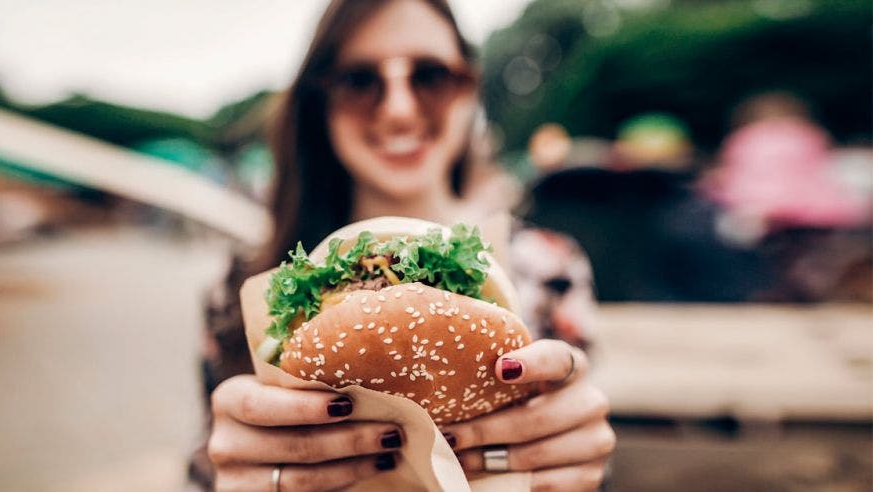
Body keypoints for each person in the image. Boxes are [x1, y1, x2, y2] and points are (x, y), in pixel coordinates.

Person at [192, 1, 614, 490]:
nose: (398, 109)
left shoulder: (551, 268)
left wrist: (578, 461)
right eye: (360, 81)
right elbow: (200, 469)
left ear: (468, 91)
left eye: (431, 77)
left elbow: (583, 460)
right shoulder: (238, 288)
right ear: (319, 102)